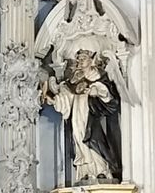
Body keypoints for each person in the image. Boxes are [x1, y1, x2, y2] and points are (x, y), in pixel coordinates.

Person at [44, 49, 122, 182]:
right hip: (77, 114)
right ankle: (85, 171)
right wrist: (54, 100)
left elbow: (109, 95)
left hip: (91, 114)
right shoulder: (74, 79)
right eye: (79, 59)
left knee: (94, 139)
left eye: (84, 58)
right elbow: (67, 97)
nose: (80, 61)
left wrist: (97, 92)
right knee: (78, 139)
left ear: (92, 60)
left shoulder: (98, 76)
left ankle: (101, 169)